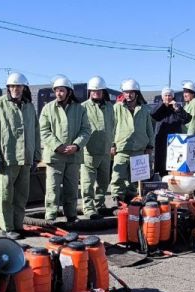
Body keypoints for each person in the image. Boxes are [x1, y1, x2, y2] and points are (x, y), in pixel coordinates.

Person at [0, 72, 39, 239]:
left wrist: (36, 156)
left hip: (25, 158)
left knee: (21, 196)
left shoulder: (29, 107)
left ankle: (18, 225)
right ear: (8, 88)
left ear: (24, 88)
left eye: (18, 86)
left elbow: (35, 133)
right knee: (5, 195)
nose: (15, 89)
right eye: (12, 86)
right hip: (6, 159)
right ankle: (6, 227)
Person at [39, 75, 90, 223]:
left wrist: (76, 145)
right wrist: (57, 146)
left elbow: (86, 130)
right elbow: (44, 131)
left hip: (73, 156)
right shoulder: (48, 109)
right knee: (52, 188)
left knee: (72, 188)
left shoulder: (79, 109)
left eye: (62, 90)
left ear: (69, 91)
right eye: (56, 91)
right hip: (55, 157)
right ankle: (50, 217)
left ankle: (71, 215)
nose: (59, 93)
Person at [110, 79, 155, 202]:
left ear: (136, 93)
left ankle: (131, 198)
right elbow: (112, 127)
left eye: (131, 92)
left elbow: (149, 129)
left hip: (139, 149)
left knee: (135, 178)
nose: (128, 95)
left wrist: (150, 146)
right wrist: (112, 144)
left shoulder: (144, 109)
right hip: (122, 148)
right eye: (126, 92)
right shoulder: (117, 108)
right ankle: (117, 199)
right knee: (118, 176)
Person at [80, 76, 115, 218]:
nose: (96, 93)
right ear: (90, 91)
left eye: (99, 91)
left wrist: (112, 144)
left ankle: (99, 205)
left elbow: (112, 126)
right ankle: (88, 208)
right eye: (94, 91)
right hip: (89, 151)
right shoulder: (83, 107)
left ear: (103, 91)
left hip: (105, 151)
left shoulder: (109, 107)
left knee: (103, 181)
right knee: (88, 182)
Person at [151, 87, 189, 177]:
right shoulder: (159, 107)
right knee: (161, 163)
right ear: (162, 97)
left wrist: (177, 109)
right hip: (161, 139)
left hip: (175, 141)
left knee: (174, 163)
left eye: (170, 96)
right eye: (166, 95)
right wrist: (162, 105)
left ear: (173, 97)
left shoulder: (177, 107)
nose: (168, 98)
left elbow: (186, 119)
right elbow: (152, 114)